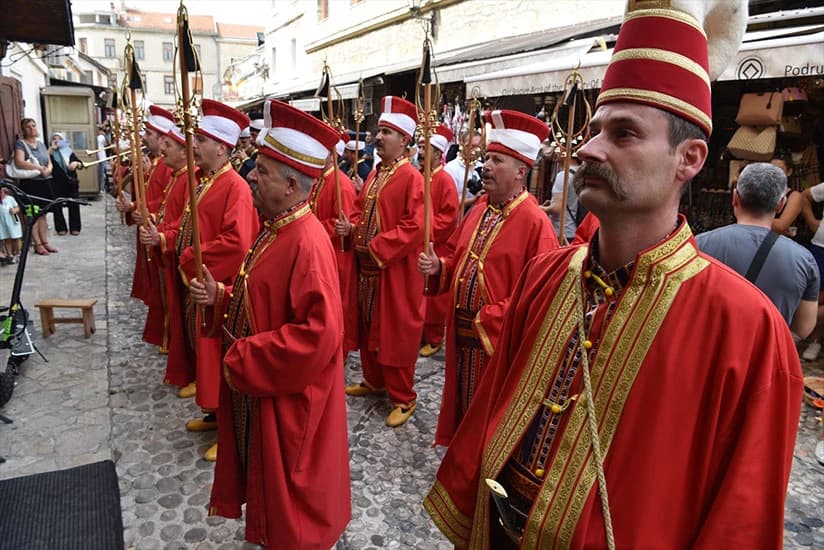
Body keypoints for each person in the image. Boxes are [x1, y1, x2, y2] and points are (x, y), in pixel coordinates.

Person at [424, 3, 803, 548]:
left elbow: (741, 520)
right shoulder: (544, 276)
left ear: (690, 158)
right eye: (594, 129)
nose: (588, 148)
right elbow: (493, 409)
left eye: (623, 134)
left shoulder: (749, 329)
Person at [190, 99, 350, 549]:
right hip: (268, 395)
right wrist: (222, 299)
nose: (251, 177)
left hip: (290, 403)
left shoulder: (306, 242)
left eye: (261, 171)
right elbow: (264, 302)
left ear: (292, 184)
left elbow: (318, 335)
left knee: (291, 505)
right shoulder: (277, 226)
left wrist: (241, 356)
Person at [418, 111, 557, 446]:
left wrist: (487, 319)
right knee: (463, 414)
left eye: (497, 160)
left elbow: (541, 296)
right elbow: (457, 257)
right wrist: (440, 268)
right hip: (462, 340)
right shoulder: (479, 209)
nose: (486, 167)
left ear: (521, 171)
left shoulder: (535, 223)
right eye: (487, 158)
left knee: (487, 424)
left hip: (495, 344)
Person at [140, 99, 258, 461]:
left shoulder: (234, 186)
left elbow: (236, 242)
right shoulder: (206, 182)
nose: (193, 146)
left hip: (218, 286)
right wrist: (172, 242)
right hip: (200, 284)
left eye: (201, 140)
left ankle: (229, 426)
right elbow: (189, 227)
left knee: (220, 356)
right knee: (204, 353)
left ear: (221, 148)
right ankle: (215, 413)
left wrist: (190, 257)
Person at [335, 95, 425, 428]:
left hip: (393, 271)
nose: (379, 137)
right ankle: (374, 380)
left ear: (404, 139)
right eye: (380, 131)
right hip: (367, 271)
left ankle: (404, 396)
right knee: (368, 326)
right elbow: (360, 210)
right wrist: (352, 228)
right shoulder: (375, 175)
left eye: (387, 132)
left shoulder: (412, 178)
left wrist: (377, 246)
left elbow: (415, 226)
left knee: (394, 333)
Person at [697, 162, 818, 338]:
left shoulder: (698, 245)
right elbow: (803, 329)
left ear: (735, 198)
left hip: (708, 348)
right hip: (767, 352)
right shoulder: (804, 260)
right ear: (781, 204)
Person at [309, 136, 359, 353]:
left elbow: (342, 222)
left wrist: (310, 227)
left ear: (332, 155)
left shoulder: (342, 184)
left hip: (337, 253)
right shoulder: (319, 179)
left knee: (337, 302)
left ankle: (339, 347)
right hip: (320, 250)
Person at [418, 124, 460, 358]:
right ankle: (420, 332)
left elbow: (449, 217)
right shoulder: (420, 176)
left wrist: (427, 231)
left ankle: (434, 337)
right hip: (419, 243)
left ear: (437, 154)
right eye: (420, 147)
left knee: (434, 296)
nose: (420, 152)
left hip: (437, 245)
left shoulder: (445, 180)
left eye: (425, 148)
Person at [14, 118, 57, 255]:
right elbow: (19, 162)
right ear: (23, 130)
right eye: (28, 127)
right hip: (31, 184)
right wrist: (38, 168)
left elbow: (48, 161)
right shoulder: (21, 144)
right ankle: (37, 244)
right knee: (33, 215)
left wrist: (48, 169)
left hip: (44, 182)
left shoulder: (41, 144)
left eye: (34, 125)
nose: (32, 128)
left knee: (43, 214)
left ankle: (45, 242)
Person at [541, 155, 582, 243]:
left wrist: (540, 209)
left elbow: (557, 208)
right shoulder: (581, 173)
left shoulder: (563, 175)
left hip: (562, 231)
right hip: (575, 229)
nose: (556, 153)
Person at [48, 132, 82, 236]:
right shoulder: (50, 152)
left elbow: (81, 164)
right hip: (56, 183)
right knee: (57, 205)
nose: (57, 140)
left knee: (74, 204)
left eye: (59, 139)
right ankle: (61, 228)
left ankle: (75, 227)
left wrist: (76, 163)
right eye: (54, 138)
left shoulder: (68, 151)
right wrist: (52, 149)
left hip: (71, 182)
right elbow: (44, 160)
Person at [444, 128, 483, 213]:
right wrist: (473, 200)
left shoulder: (482, 166)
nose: (475, 151)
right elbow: (449, 201)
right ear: (462, 145)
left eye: (478, 147)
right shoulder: (451, 168)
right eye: (471, 146)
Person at [770, 154, 802, 237]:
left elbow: (781, 225)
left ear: (789, 172)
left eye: (780, 170)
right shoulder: (761, 190)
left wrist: (751, 219)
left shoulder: (794, 196)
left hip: (780, 241)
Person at [0, 185, 22, 264]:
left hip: (13, 220)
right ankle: (9, 254)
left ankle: (18, 253)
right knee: (7, 238)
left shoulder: (10, 199)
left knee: (16, 237)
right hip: (2, 222)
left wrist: (15, 210)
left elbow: (17, 207)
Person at [96, 126, 109, 193]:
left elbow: (107, 143)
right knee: (99, 173)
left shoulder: (101, 137)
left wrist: (105, 136)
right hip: (97, 157)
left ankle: (102, 187)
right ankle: (100, 187)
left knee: (101, 173)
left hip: (101, 157)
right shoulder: (97, 137)